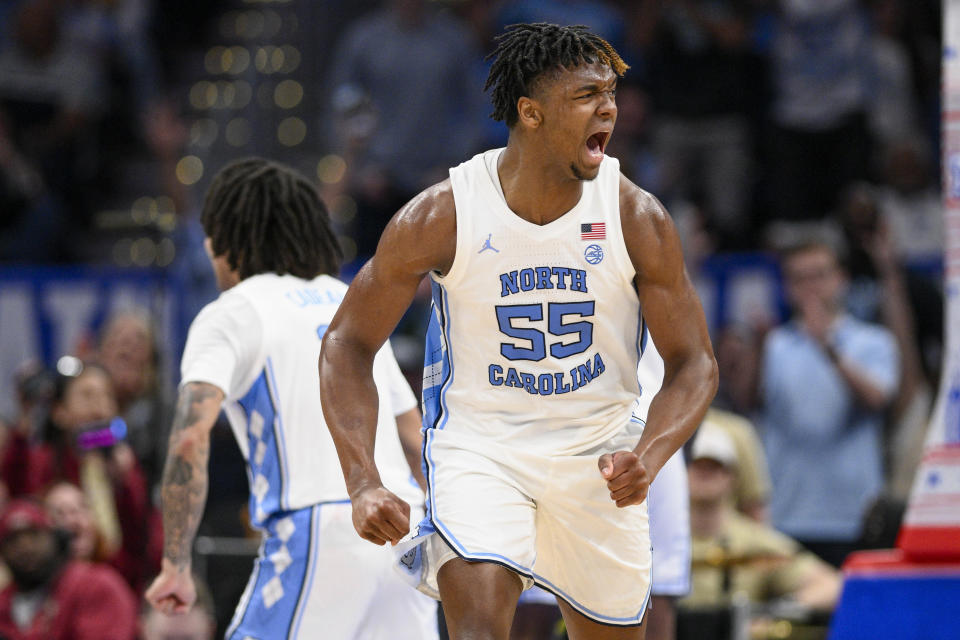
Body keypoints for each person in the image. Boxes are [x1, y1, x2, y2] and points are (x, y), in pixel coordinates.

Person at [319, 23, 718, 639]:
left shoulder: (637, 217)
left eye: (610, 92)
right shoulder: (443, 213)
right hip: (482, 451)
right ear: (530, 113)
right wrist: (363, 480)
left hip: (599, 456)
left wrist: (649, 455)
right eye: (586, 95)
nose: (608, 107)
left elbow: (694, 362)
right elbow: (347, 343)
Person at [144, 158, 437, 640]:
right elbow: (416, 435)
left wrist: (175, 562)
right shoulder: (345, 302)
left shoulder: (231, 312)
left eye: (210, 237)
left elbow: (189, 441)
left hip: (321, 526)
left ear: (228, 238)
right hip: (407, 529)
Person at [760, 241, 899, 567]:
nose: (810, 287)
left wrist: (828, 346)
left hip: (856, 515)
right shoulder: (774, 345)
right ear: (786, 288)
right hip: (787, 514)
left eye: (819, 275)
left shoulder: (875, 341)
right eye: (799, 279)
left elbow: (877, 399)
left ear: (842, 279)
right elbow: (749, 403)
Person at [681, 422, 840, 611]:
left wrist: (771, 616)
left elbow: (832, 585)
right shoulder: (657, 539)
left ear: (733, 476)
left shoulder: (754, 540)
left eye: (715, 466)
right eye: (696, 464)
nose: (704, 473)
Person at [0, 499, 138, 640]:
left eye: (33, 536)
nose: (25, 548)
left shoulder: (94, 585)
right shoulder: (3, 604)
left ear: (53, 536)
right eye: (13, 540)